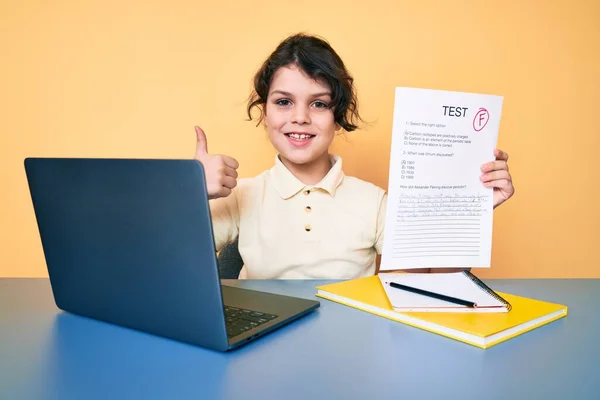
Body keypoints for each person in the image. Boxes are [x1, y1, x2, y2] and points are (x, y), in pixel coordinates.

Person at [193, 33, 514, 279]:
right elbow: (164, 262)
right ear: (265, 111)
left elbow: (434, 288)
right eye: (283, 102)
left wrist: (470, 211)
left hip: (351, 350)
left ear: (338, 114)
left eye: (318, 103)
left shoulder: (374, 203)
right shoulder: (241, 196)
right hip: (260, 352)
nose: (300, 117)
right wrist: (190, 191)